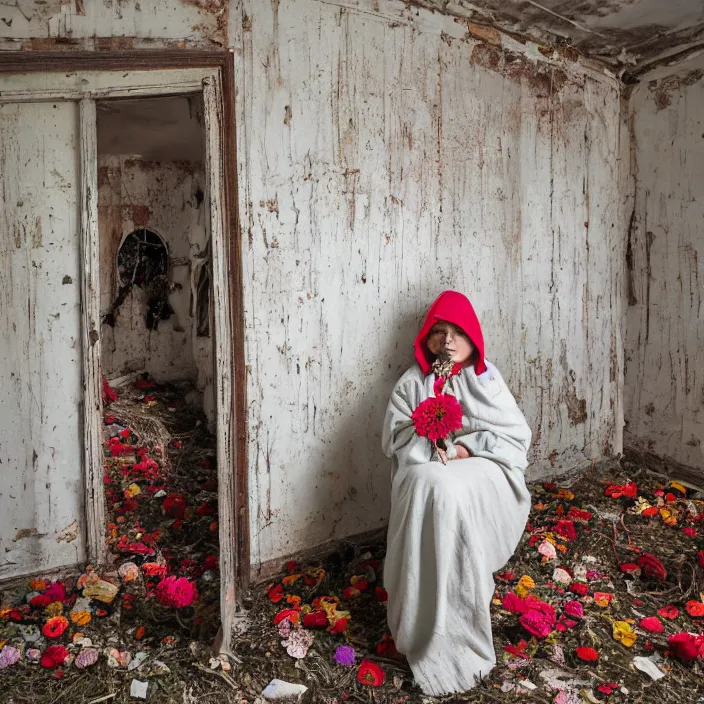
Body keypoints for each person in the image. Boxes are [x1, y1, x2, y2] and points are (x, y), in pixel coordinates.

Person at [381, 290, 532, 696]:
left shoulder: (488, 380)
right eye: (439, 332)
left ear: (473, 338)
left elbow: (515, 439)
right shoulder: (413, 383)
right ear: (427, 340)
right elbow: (395, 439)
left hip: (483, 469)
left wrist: (467, 447)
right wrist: (427, 436)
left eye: (457, 332)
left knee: (444, 487)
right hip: (429, 469)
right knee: (430, 483)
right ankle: (419, 617)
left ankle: (459, 615)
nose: (447, 341)